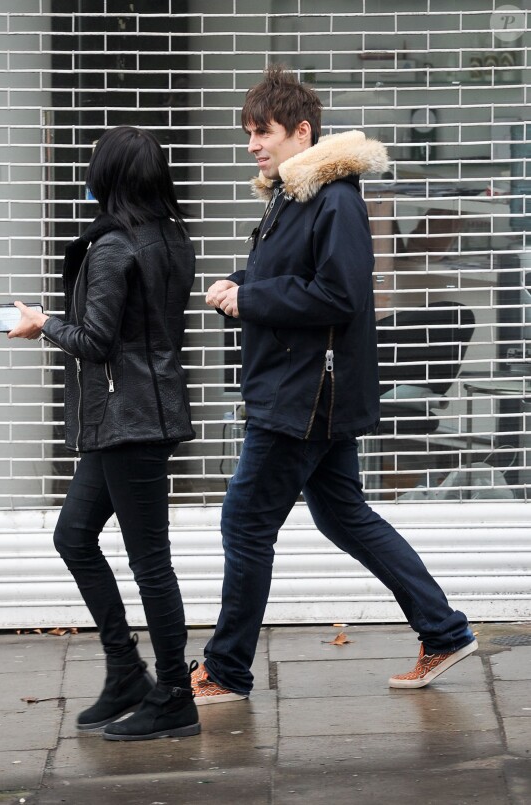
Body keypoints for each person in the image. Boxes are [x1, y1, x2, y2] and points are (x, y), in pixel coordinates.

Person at [191, 65, 478, 704]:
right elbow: (294, 276)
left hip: (304, 396)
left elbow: (340, 295)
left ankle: (227, 670)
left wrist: (251, 299)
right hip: (301, 388)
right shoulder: (293, 194)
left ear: (302, 131)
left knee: (245, 521)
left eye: (262, 132)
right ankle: (444, 631)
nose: (252, 146)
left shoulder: (335, 199)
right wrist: (242, 283)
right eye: (248, 134)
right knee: (343, 515)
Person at [8, 126, 200, 741]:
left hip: (129, 421)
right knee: (73, 536)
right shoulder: (172, 236)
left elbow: (94, 341)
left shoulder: (115, 247)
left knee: (151, 565)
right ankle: (125, 672)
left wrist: (42, 324)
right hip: (139, 415)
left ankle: (174, 695)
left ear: (110, 176)